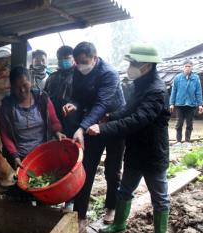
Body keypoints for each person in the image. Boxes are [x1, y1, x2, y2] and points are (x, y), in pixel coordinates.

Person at [88, 44, 171, 233]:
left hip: (152, 153)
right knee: (125, 190)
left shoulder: (156, 91)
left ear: (147, 66)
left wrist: (103, 128)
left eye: (134, 62)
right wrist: (111, 116)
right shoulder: (140, 85)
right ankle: (119, 224)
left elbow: (137, 120)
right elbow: (128, 110)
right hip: (135, 151)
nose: (130, 66)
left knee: (159, 198)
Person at [62, 42, 125, 230]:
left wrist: (81, 128)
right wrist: (74, 104)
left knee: (112, 170)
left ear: (95, 58)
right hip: (92, 123)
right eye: (78, 62)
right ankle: (81, 215)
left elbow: (102, 104)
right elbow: (79, 96)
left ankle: (111, 207)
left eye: (85, 62)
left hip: (113, 123)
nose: (81, 66)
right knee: (87, 168)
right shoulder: (77, 71)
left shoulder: (109, 74)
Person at [0, 66, 66, 169]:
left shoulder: (42, 98)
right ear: (12, 87)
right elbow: (5, 135)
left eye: (25, 85)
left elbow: (53, 121)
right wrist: (14, 155)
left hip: (43, 155)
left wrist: (57, 132)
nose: (22, 90)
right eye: (17, 87)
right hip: (21, 159)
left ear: (31, 82)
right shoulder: (7, 106)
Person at [44, 45, 77, 137]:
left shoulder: (79, 76)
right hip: (53, 119)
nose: (63, 61)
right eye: (60, 59)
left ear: (73, 58)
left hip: (73, 120)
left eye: (66, 58)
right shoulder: (52, 77)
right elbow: (45, 97)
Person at [169, 60, 203, 144]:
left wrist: (200, 104)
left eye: (189, 66)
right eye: (186, 66)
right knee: (179, 123)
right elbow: (174, 91)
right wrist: (171, 103)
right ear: (183, 67)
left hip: (191, 104)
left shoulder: (195, 78)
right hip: (180, 104)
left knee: (189, 123)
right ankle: (178, 141)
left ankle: (187, 141)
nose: (187, 68)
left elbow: (198, 91)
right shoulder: (178, 77)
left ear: (191, 67)